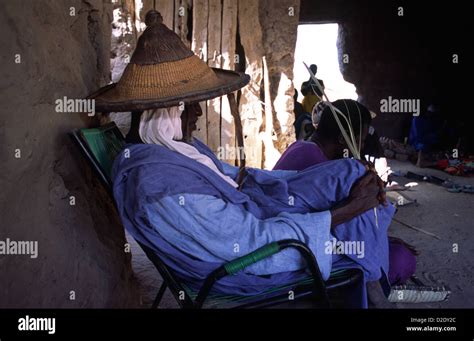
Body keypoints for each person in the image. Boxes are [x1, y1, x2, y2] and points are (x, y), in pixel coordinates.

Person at [91, 10, 394, 307]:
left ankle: (372, 275)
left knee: (349, 173)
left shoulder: (175, 152)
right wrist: (347, 209)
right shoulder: (158, 187)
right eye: (190, 106)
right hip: (251, 262)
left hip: (256, 227)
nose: (198, 114)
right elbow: (251, 240)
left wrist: (319, 180)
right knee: (357, 219)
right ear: (162, 112)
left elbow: (237, 176)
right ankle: (373, 284)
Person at [274, 99, 417, 286]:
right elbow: (334, 225)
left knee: (392, 249)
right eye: (362, 140)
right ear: (343, 139)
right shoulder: (318, 161)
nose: (362, 147)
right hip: (293, 245)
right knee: (400, 259)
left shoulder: (304, 147)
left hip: (301, 235)